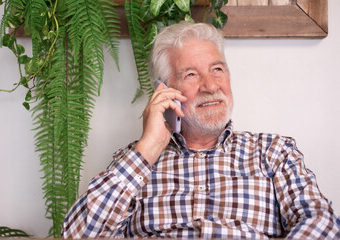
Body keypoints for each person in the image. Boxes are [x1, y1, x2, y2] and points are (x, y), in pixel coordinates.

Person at [61, 22, 340, 239]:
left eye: (217, 69)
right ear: (164, 91)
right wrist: (148, 148)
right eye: (191, 74)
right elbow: (77, 235)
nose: (210, 85)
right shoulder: (134, 163)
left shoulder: (274, 153)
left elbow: (322, 222)